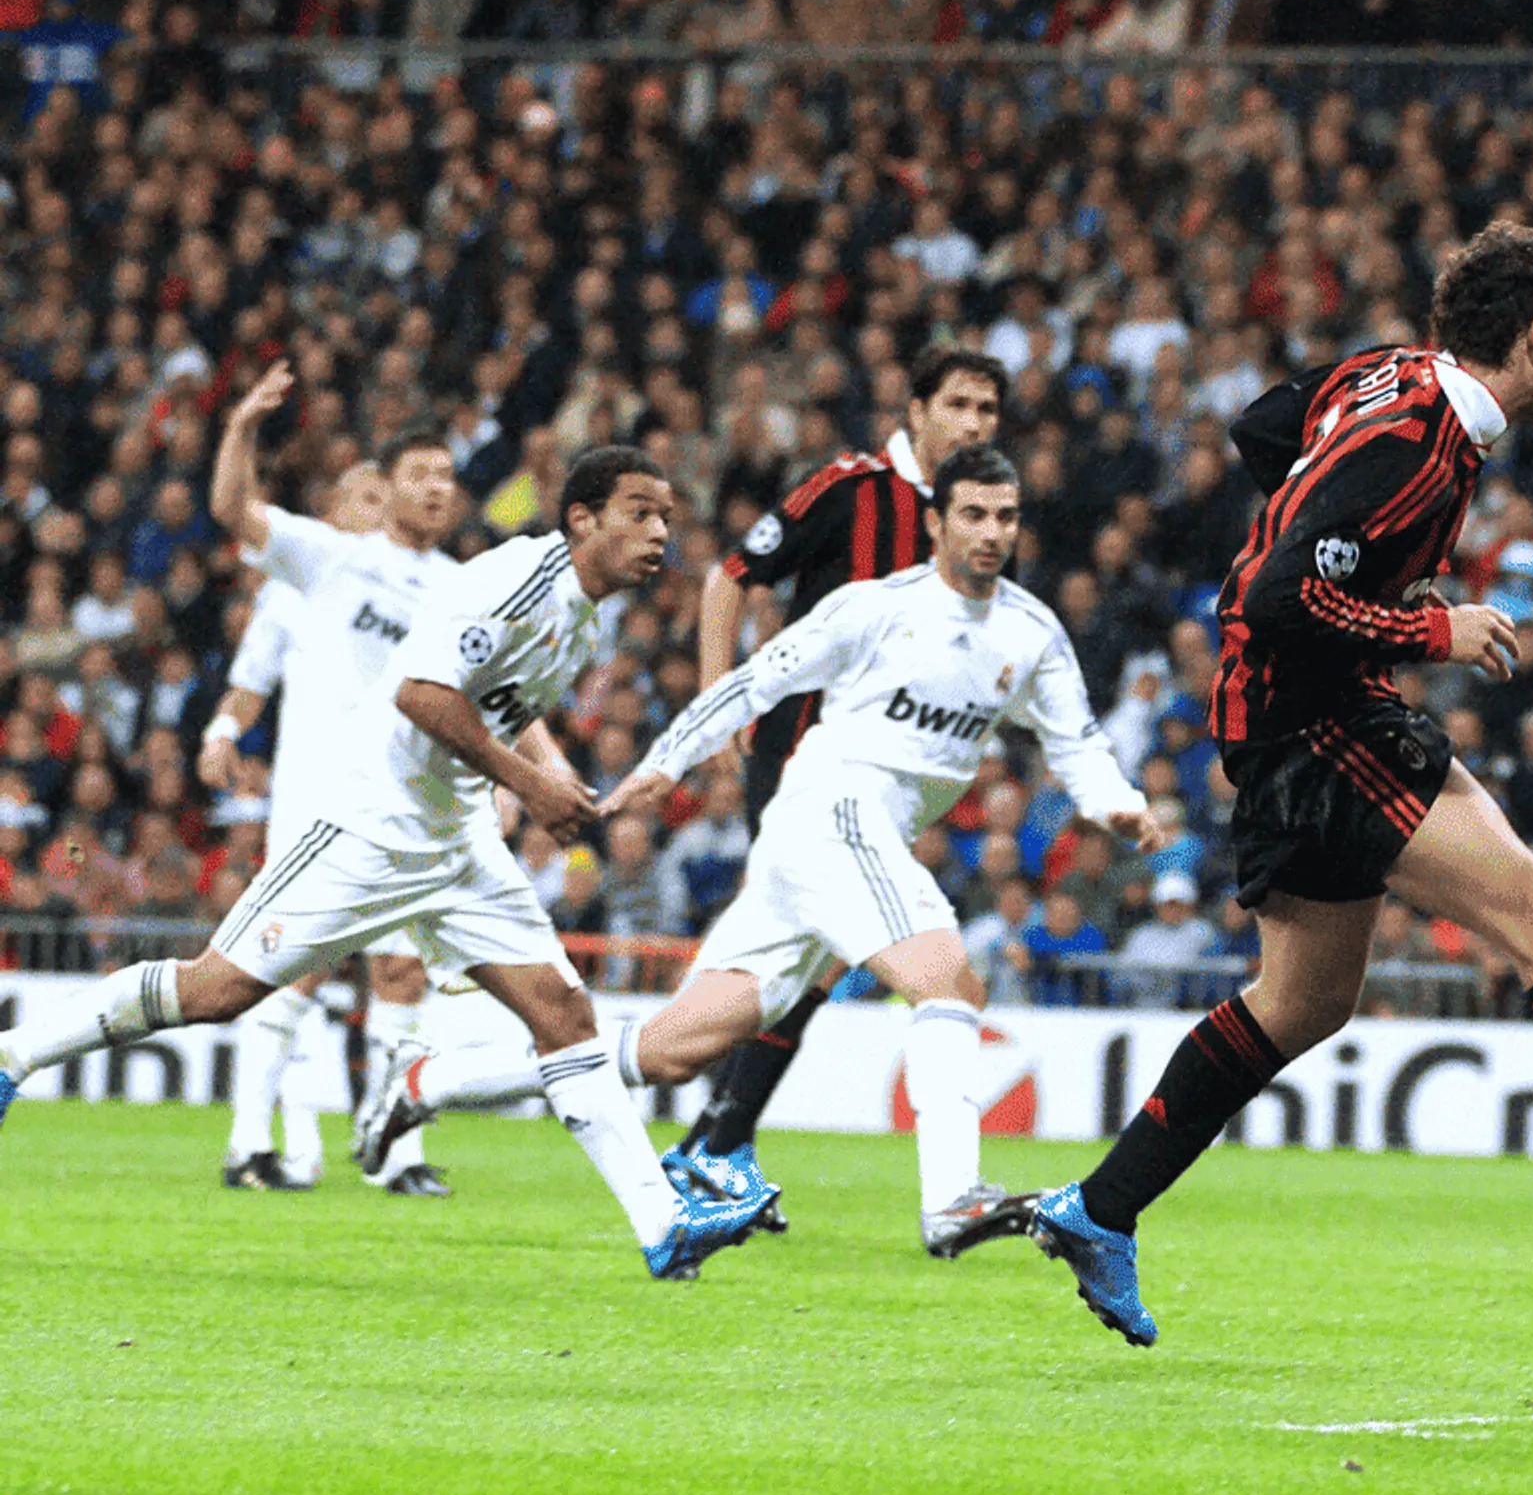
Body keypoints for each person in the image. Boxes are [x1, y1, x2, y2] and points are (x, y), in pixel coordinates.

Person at [1025, 223, 1533, 1345]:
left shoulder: (1383, 376)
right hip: (1315, 722)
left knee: (1305, 1001)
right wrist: (1423, 621)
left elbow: (1263, 430)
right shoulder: (1410, 438)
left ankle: (1100, 1207)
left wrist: (1325, 539)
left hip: (1285, 718)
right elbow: (1268, 594)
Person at [0, 425, 770, 1279]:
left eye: (666, 517)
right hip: (368, 825)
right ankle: (18, 1055)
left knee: (564, 1018)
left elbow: (496, 712)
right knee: (215, 991)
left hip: (458, 842)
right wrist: (532, 781)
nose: (661, 533)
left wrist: (535, 785)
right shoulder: (517, 578)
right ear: (583, 519)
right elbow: (420, 694)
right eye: (640, 514)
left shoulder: (583, 622)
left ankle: (664, 1227)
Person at [356, 445, 1161, 1257]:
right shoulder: (873, 608)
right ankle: (952, 1199)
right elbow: (753, 684)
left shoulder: (1034, 631)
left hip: (837, 850)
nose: (991, 533)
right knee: (946, 978)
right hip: (830, 811)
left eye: (1006, 517)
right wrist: (663, 763)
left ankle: (433, 1079)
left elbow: (1079, 741)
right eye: (973, 515)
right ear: (935, 522)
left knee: (672, 1050)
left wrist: (1117, 805)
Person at [662, 345, 1005, 1220]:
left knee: (806, 960)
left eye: (988, 409)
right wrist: (717, 702)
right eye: (959, 404)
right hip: (801, 755)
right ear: (916, 408)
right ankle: (711, 1137)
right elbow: (729, 578)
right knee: (811, 954)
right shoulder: (848, 490)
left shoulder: (977, 520)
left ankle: (713, 1140)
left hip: (884, 781)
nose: (974, 423)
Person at [205, 376, 466, 1196]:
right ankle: (252, 1142)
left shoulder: (456, 587)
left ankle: (395, 1153)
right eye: (357, 491)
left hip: (408, 811)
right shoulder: (303, 583)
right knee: (292, 969)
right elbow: (248, 687)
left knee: (402, 975)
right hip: (317, 805)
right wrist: (220, 734)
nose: (360, 504)